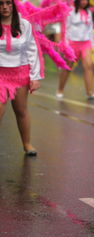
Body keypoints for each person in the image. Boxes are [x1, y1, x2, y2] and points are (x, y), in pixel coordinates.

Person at [0, 0, 43, 156]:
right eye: (1, 3)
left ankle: (27, 144)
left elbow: (32, 49)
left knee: (21, 110)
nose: (5, 7)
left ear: (13, 5)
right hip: (0, 75)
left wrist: (35, 76)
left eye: (8, 3)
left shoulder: (24, 25)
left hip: (20, 72)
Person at [57, 0, 94, 99]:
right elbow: (65, 29)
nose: (84, 2)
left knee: (89, 66)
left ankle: (90, 92)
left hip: (86, 43)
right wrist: (66, 45)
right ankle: (60, 89)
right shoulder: (70, 12)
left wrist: (92, 44)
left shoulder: (88, 12)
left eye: (86, 0)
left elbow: (90, 28)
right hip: (72, 44)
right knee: (67, 68)